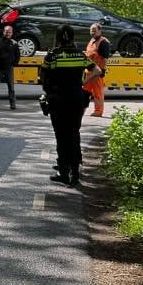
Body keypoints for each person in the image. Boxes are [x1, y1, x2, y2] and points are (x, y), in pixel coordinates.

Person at [39, 25, 90, 186]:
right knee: (74, 134)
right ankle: (75, 172)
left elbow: (43, 78)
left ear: (58, 38)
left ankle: (63, 172)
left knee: (61, 136)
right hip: (76, 100)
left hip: (58, 101)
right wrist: (82, 83)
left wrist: (47, 92)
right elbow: (96, 71)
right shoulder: (80, 55)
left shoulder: (52, 56)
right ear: (73, 38)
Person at [83, 21, 113, 118]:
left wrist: (102, 70)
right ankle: (81, 109)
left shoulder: (103, 42)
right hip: (89, 73)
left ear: (100, 31)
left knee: (97, 93)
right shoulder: (91, 41)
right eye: (91, 31)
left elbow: (104, 58)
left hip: (97, 73)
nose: (92, 32)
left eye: (94, 31)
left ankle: (98, 111)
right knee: (84, 92)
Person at [0, 24, 19, 110]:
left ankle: (12, 104)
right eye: (7, 32)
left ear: (12, 33)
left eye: (10, 32)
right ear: (3, 32)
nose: (8, 33)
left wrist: (14, 63)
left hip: (9, 68)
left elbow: (17, 56)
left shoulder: (14, 43)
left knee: (11, 87)